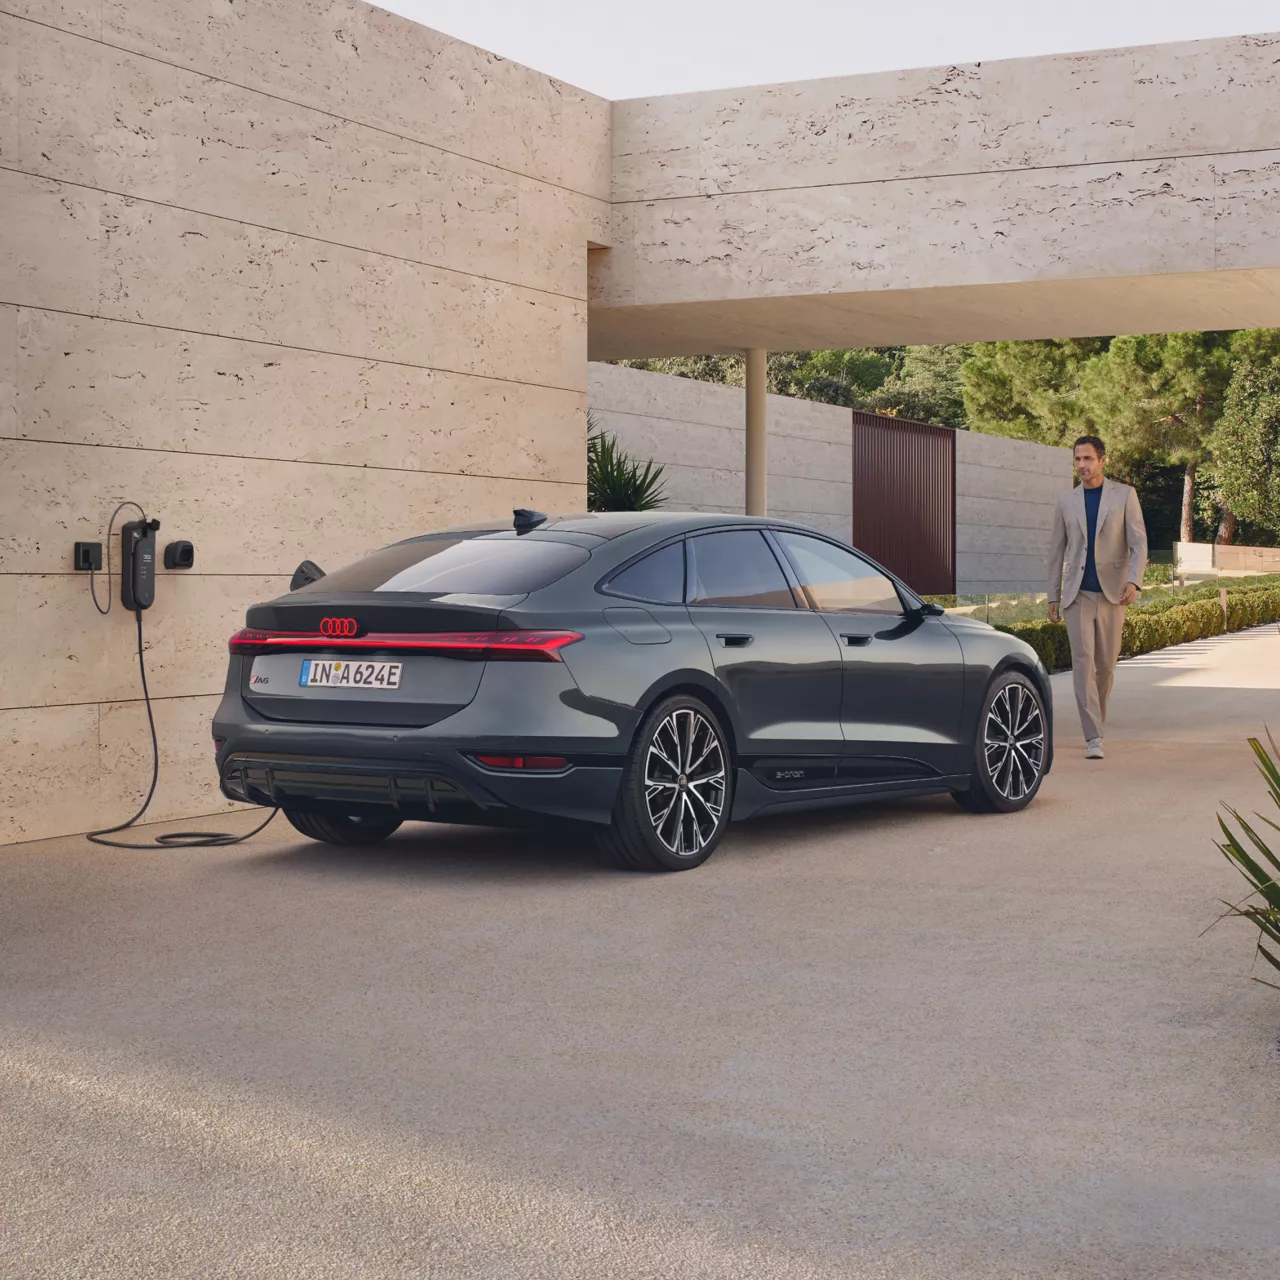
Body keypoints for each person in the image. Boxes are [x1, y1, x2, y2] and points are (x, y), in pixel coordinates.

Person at [1045, 435, 1147, 760]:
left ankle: (1095, 723)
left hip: (1114, 594)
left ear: (1103, 460)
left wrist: (1134, 581)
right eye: (1077, 460)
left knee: (1106, 665)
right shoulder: (1065, 501)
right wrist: (1053, 596)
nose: (1081, 466)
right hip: (1077, 594)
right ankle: (1093, 736)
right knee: (1082, 662)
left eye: (1087, 459)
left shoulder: (1125, 496)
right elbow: (1055, 551)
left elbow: (1139, 544)